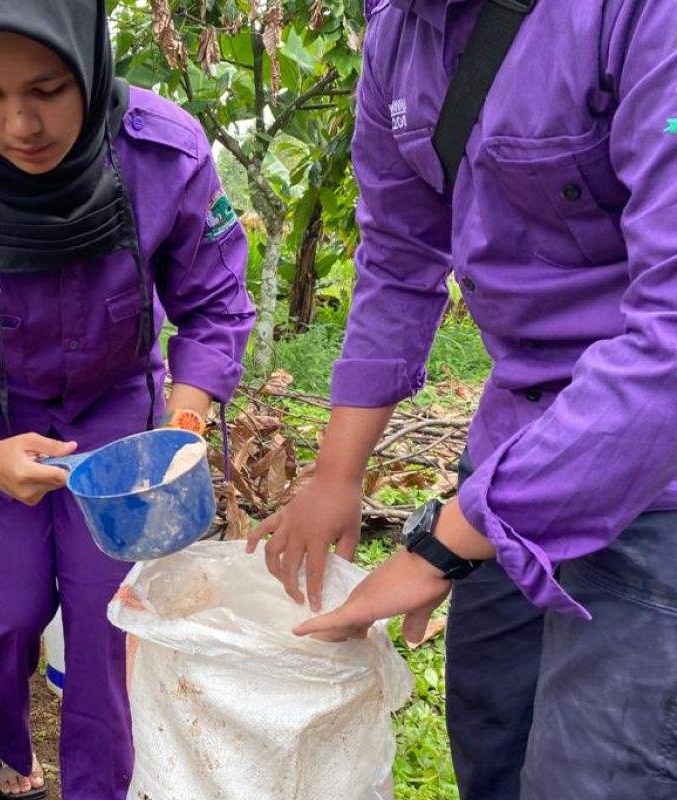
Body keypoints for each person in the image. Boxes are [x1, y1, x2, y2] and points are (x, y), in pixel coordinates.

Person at [247, 0, 677, 798]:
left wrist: (445, 543)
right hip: (516, 439)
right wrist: (336, 474)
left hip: (656, 481)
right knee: (492, 734)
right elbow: (397, 258)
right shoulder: (397, 38)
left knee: (595, 775)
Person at [0, 1, 255, 796]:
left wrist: (180, 427)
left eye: (47, 87)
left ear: (90, 59)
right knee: (5, 612)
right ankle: (1, 735)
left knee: (107, 618)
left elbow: (214, 304)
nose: (21, 123)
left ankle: (100, 785)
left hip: (119, 418)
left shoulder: (164, 152)